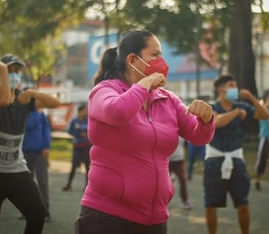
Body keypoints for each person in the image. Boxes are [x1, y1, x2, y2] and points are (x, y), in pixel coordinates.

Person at [76, 29, 215, 234]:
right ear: (133, 60)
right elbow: (117, 112)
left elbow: (198, 136)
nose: (162, 61)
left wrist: (206, 119)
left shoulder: (168, 99)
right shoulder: (104, 91)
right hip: (107, 215)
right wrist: (145, 84)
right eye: (155, 54)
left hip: (155, 218)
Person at [0, 54, 60, 234]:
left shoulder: (25, 99)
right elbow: (3, 100)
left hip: (16, 169)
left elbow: (55, 102)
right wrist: (4, 72)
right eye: (10, 70)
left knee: (38, 212)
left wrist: (32, 93)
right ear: (1, 73)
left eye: (17, 71)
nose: (14, 75)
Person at [204, 74, 269, 234]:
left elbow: (265, 116)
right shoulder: (211, 107)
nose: (235, 88)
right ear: (221, 89)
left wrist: (251, 98)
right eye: (231, 85)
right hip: (214, 161)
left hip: (236, 161)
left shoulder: (243, 106)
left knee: (243, 203)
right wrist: (235, 112)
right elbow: (217, 122)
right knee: (211, 204)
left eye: (235, 85)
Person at [22, 108, 52, 222]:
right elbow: (28, 125)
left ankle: (46, 212)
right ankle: (26, 211)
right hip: (25, 151)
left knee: (42, 182)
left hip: (40, 153)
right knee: (26, 183)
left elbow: (46, 130)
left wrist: (46, 146)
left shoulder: (41, 114)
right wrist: (36, 114)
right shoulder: (23, 113)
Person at [62, 104, 91, 191]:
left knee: (87, 167)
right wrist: (79, 134)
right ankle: (69, 184)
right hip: (77, 146)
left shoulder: (88, 120)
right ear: (80, 111)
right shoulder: (74, 121)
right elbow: (69, 131)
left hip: (87, 146)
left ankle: (87, 185)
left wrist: (87, 134)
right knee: (74, 166)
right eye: (85, 110)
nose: (86, 112)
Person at [169, 137, 191, 210]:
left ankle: (185, 201)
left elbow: (186, 145)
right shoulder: (166, 127)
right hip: (166, 160)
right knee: (163, 182)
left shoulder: (182, 130)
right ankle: (162, 202)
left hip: (179, 160)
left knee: (183, 179)